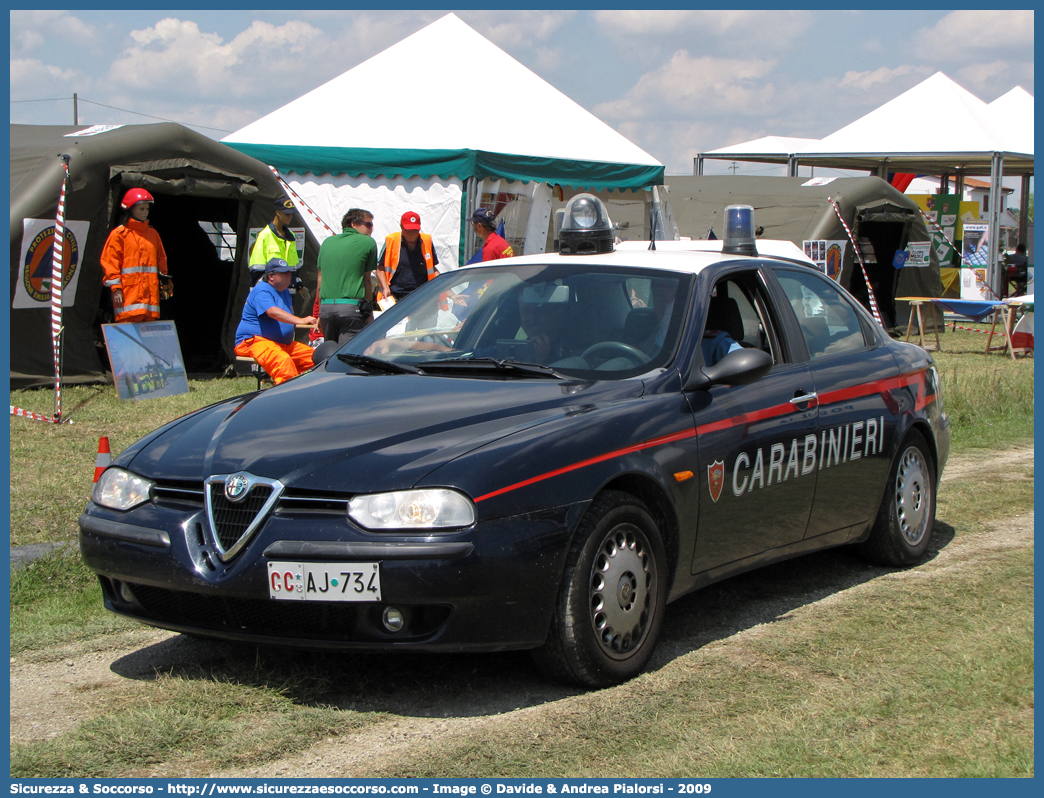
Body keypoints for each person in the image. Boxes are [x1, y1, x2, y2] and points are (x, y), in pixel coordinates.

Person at [234, 258, 317, 385]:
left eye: (289, 272)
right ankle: (286, 398)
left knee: (317, 359)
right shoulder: (261, 290)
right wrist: (300, 320)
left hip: (281, 344)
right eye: (284, 273)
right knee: (283, 362)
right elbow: (272, 311)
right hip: (253, 341)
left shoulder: (284, 292)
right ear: (271, 276)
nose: (289, 275)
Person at [100, 188, 170, 323]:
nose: (145, 213)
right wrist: (116, 289)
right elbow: (110, 262)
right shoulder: (119, 235)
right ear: (131, 209)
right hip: (128, 298)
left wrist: (164, 283)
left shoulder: (153, 235)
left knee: (148, 339)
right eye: (141, 209)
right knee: (128, 339)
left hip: (150, 301)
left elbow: (161, 259)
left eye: (147, 209)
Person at [316, 208, 377, 345]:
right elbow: (367, 281)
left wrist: (320, 312)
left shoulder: (327, 243)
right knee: (345, 358)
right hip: (351, 309)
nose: (371, 229)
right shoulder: (368, 243)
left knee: (329, 354)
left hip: (326, 308)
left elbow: (320, 281)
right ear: (353, 224)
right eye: (368, 224)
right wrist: (369, 313)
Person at [377, 211, 440, 302]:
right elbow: (380, 269)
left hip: (422, 297)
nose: (412, 234)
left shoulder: (426, 241)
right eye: (409, 231)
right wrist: (385, 288)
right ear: (402, 227)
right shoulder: (392, 241)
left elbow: (433, 269)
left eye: (415, 231)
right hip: (397, 297)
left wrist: (450, 293)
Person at [249, 197, 299, 275]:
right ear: (278, 212)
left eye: (291, 214)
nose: (290, 217)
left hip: (289, 286)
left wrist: (297, 283)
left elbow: (294, 267)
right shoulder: (264, 235)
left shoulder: (291, 236)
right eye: (287, 214)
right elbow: (257, 268)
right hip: (271, 285)